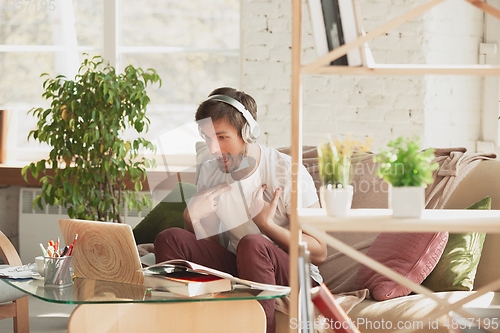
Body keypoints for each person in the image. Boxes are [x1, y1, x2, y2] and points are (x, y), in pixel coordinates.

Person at [154, 87, 327, 332]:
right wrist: (191, 219)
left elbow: (320, 251)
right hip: (241, 266)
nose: (214, 149)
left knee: (252, 243)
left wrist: (268, 226)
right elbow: (209, 247)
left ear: (247, 132)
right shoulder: (211, 170)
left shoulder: (286, 170)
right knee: (170, 238)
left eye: (222, 137)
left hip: (296, 275)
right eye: (207, 138)